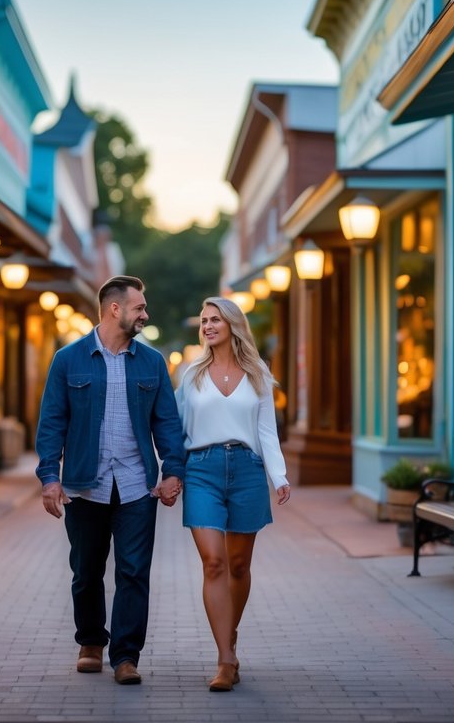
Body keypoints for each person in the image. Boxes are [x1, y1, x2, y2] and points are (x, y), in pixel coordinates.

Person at [35, 275, 186, 686]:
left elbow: (167, 422)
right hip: (85, 484)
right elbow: (52, 422)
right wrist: (50, 477)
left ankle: (125, 656)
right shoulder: (69, 359)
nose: (145, 314)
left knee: (134, 572)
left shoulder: (152, 362)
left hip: (138, 485)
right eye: (139, 307)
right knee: (86, 570)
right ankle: (89, 642)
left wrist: (173, 471)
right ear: (115, 309)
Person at [175, 296, 290, 691]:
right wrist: (169, 473)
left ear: (232, 325)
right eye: (203, 321)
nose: (207, 326)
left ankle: (231, 635)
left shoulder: (258, 373)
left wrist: (279, 476)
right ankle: (226, 658)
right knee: (214, 563)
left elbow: (266, 432)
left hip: (247, 472)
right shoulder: (191, 376)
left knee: (239, 566)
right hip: (202, 469)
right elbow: (176, 429)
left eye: (215, 320)